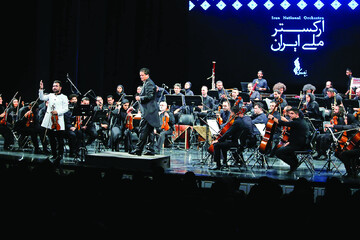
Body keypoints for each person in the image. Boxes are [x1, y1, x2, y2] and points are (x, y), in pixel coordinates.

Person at [209, 105, 254, 170]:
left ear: (233, 113)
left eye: (231, 112)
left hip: (235, 143)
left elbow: (228, 133)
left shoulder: (236, 122)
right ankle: (224, 163)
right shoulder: (240, 120)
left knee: (216, 145)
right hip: (239, 142)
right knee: (223, 143)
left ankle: (218, 165)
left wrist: (218, 140)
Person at [129, 68, 161, 156]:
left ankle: (138, 149)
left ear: (147, 75)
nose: (141, 77)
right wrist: (133, 107)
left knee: (143, 130)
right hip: (149, 112)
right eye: (140, 75)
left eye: (142, 75)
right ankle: (150, 150)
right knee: (149, 131)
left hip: (148, 112)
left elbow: (150, 96)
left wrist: (140, 98)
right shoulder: (146, 83)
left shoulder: (149, 83)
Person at [268, 108, 310, 173]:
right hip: (299, 143)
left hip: (300, 146)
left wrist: (273, 118)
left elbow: (283, 123)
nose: (290, 115)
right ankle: (295, 163)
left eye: (292, 113)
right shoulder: (300, 121)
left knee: (278, 152)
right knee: (286, 149)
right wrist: (289, 142)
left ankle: (293, 164)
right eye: (289, 113)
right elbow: (295, 134)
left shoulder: (297, 122)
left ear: (297, 115)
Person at [39, 80, 69, 165]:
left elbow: (66, 108)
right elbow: (41, 98)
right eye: (53, 86)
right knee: (51, 138)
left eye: (56, 86)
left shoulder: (64, 97)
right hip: (50, 120)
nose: (54, 87)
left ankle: (60, 154)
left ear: (60, 88)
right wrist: (41, 89)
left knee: (60, 139)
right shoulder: (50, 95)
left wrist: (58, 112)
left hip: (58, 120)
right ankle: (54, 154)